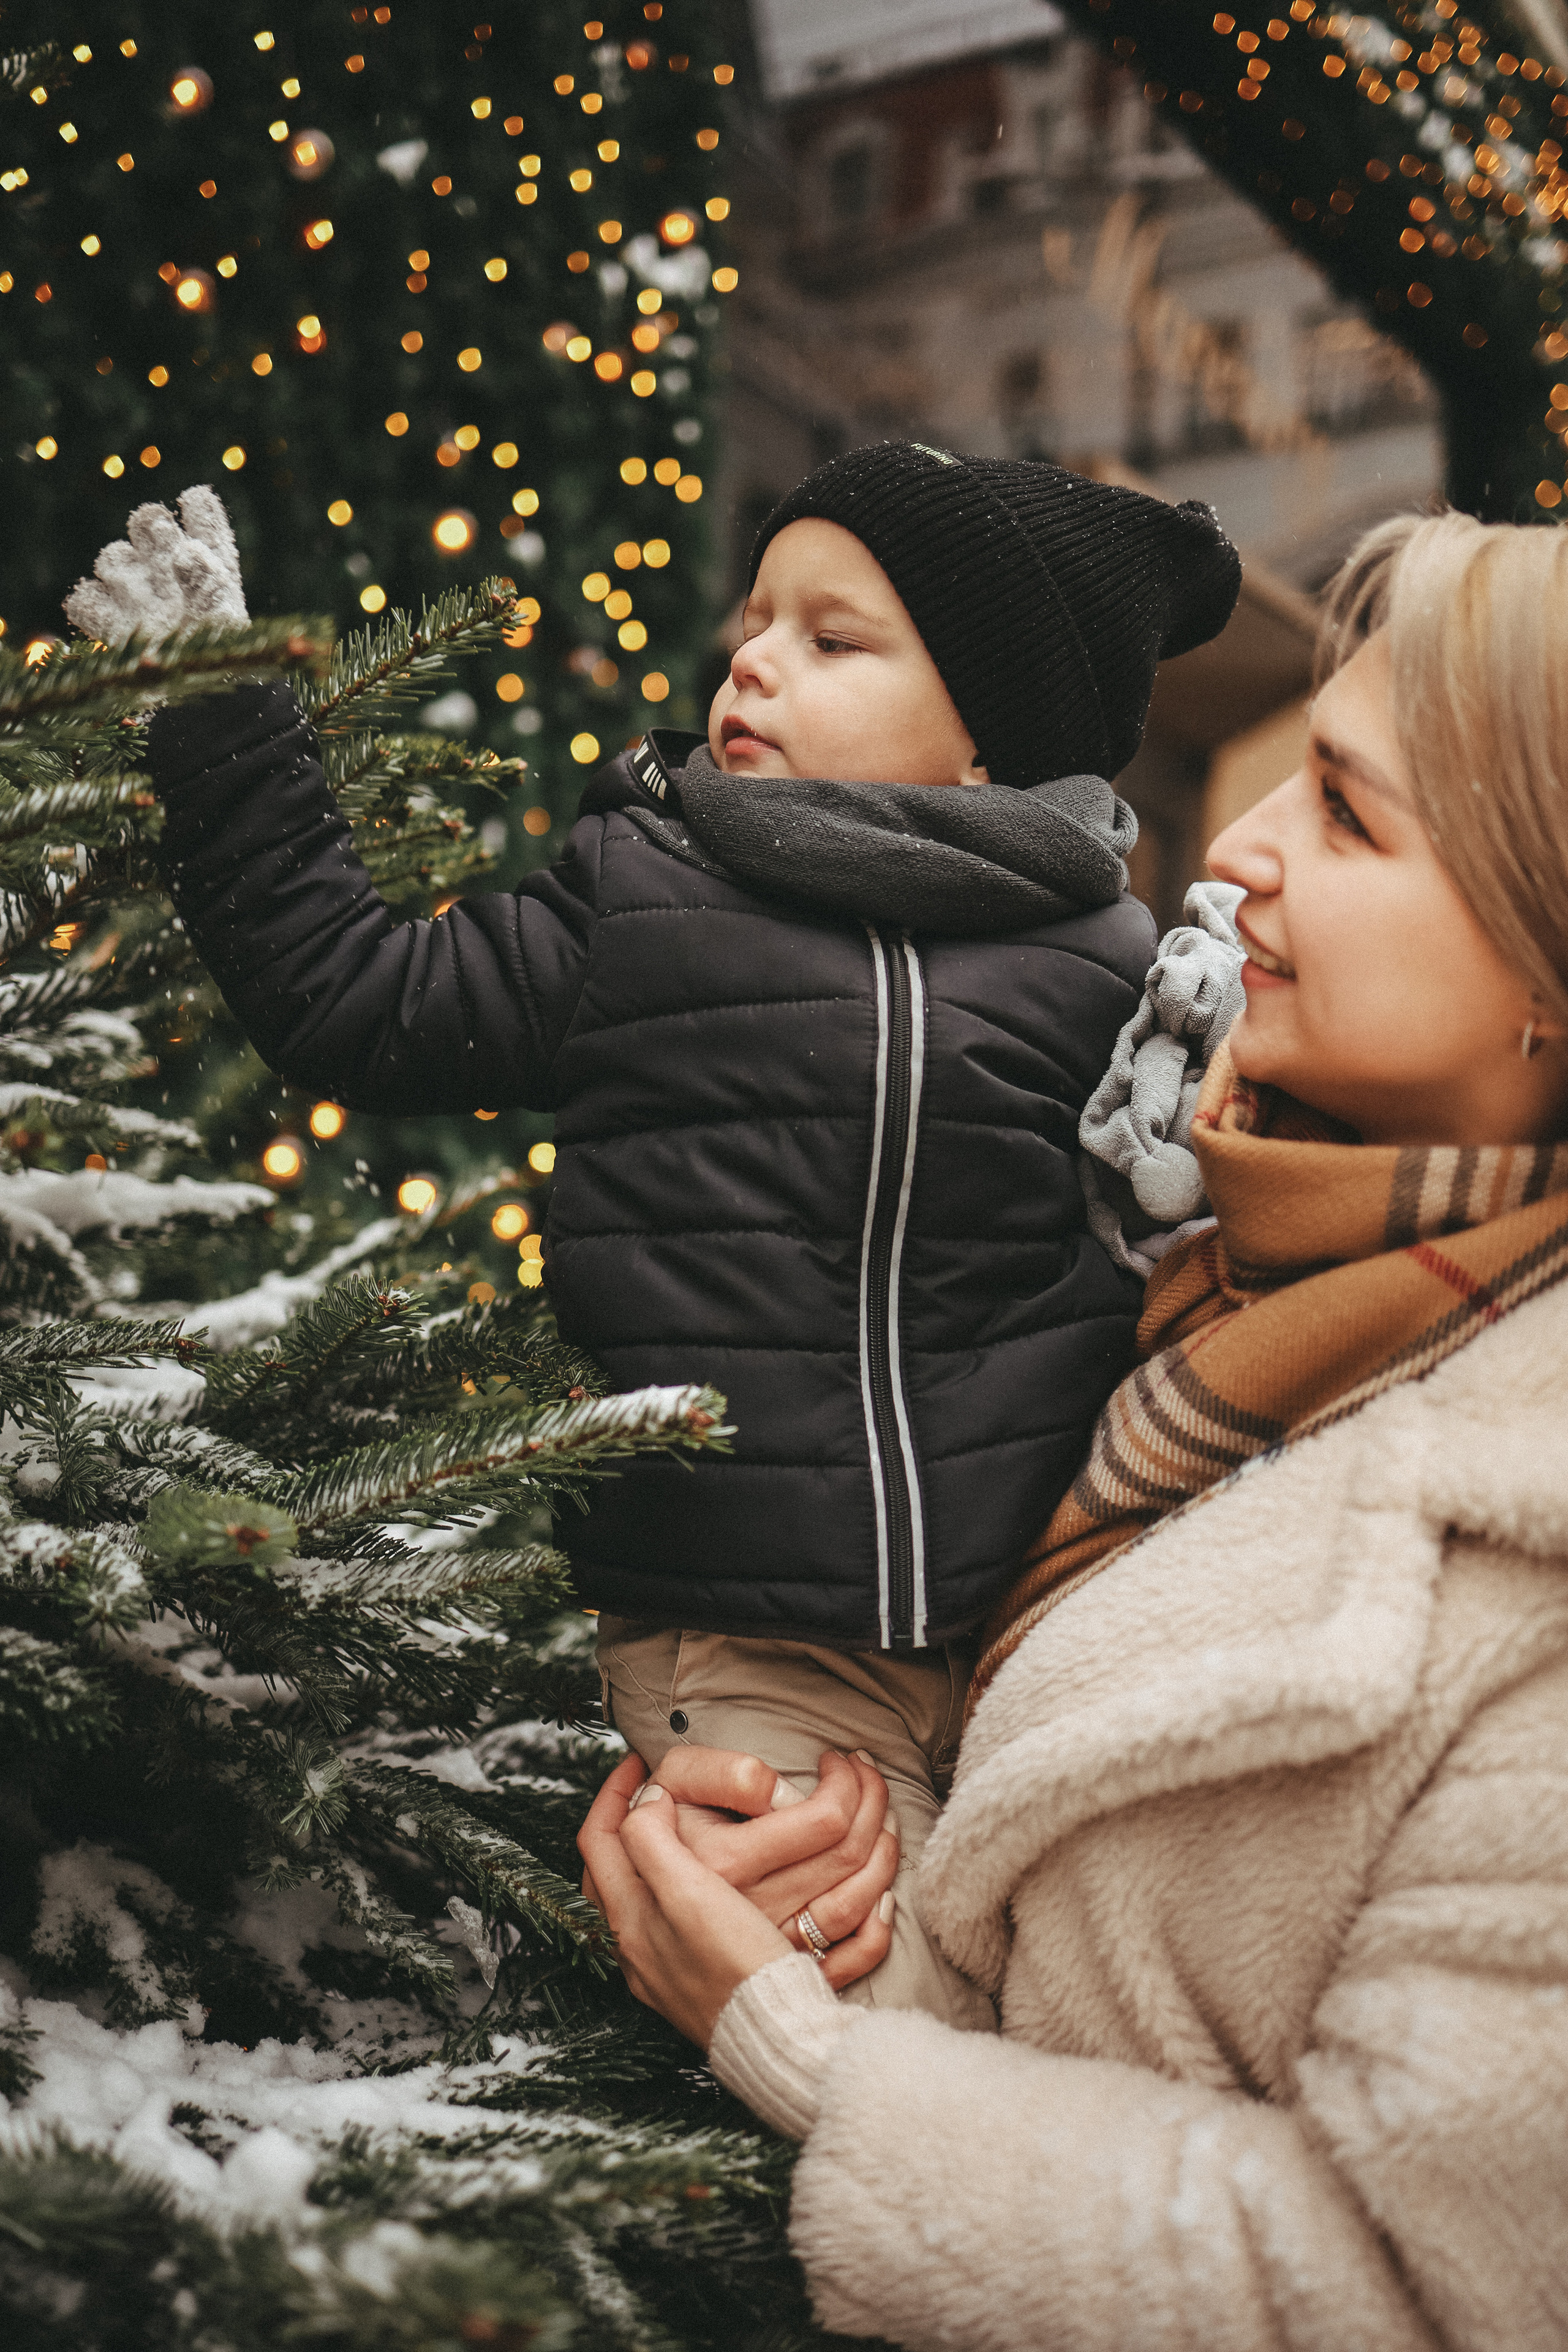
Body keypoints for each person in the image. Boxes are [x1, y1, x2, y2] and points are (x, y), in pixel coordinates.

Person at [80, 448, 1242, 2027]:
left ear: (994, 734)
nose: (753, 660)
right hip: (759, 1638)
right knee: (856, 2005)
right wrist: (219, 716)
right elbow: (359, 997)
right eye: (756, 622)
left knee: (1092, 1985)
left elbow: (1168, 1248)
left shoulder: (1105, 958)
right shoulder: (645, 891)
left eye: (834, 639)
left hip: (1035, 1623)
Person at [579, 507, 1568, 2352]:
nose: (1240, 850)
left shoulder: (1531, 1539)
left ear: (1547, 980)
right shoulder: (1196, 1260)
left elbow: (1430, 2295)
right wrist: (832, 1861)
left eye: (1347, 816)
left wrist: (797, 2049)